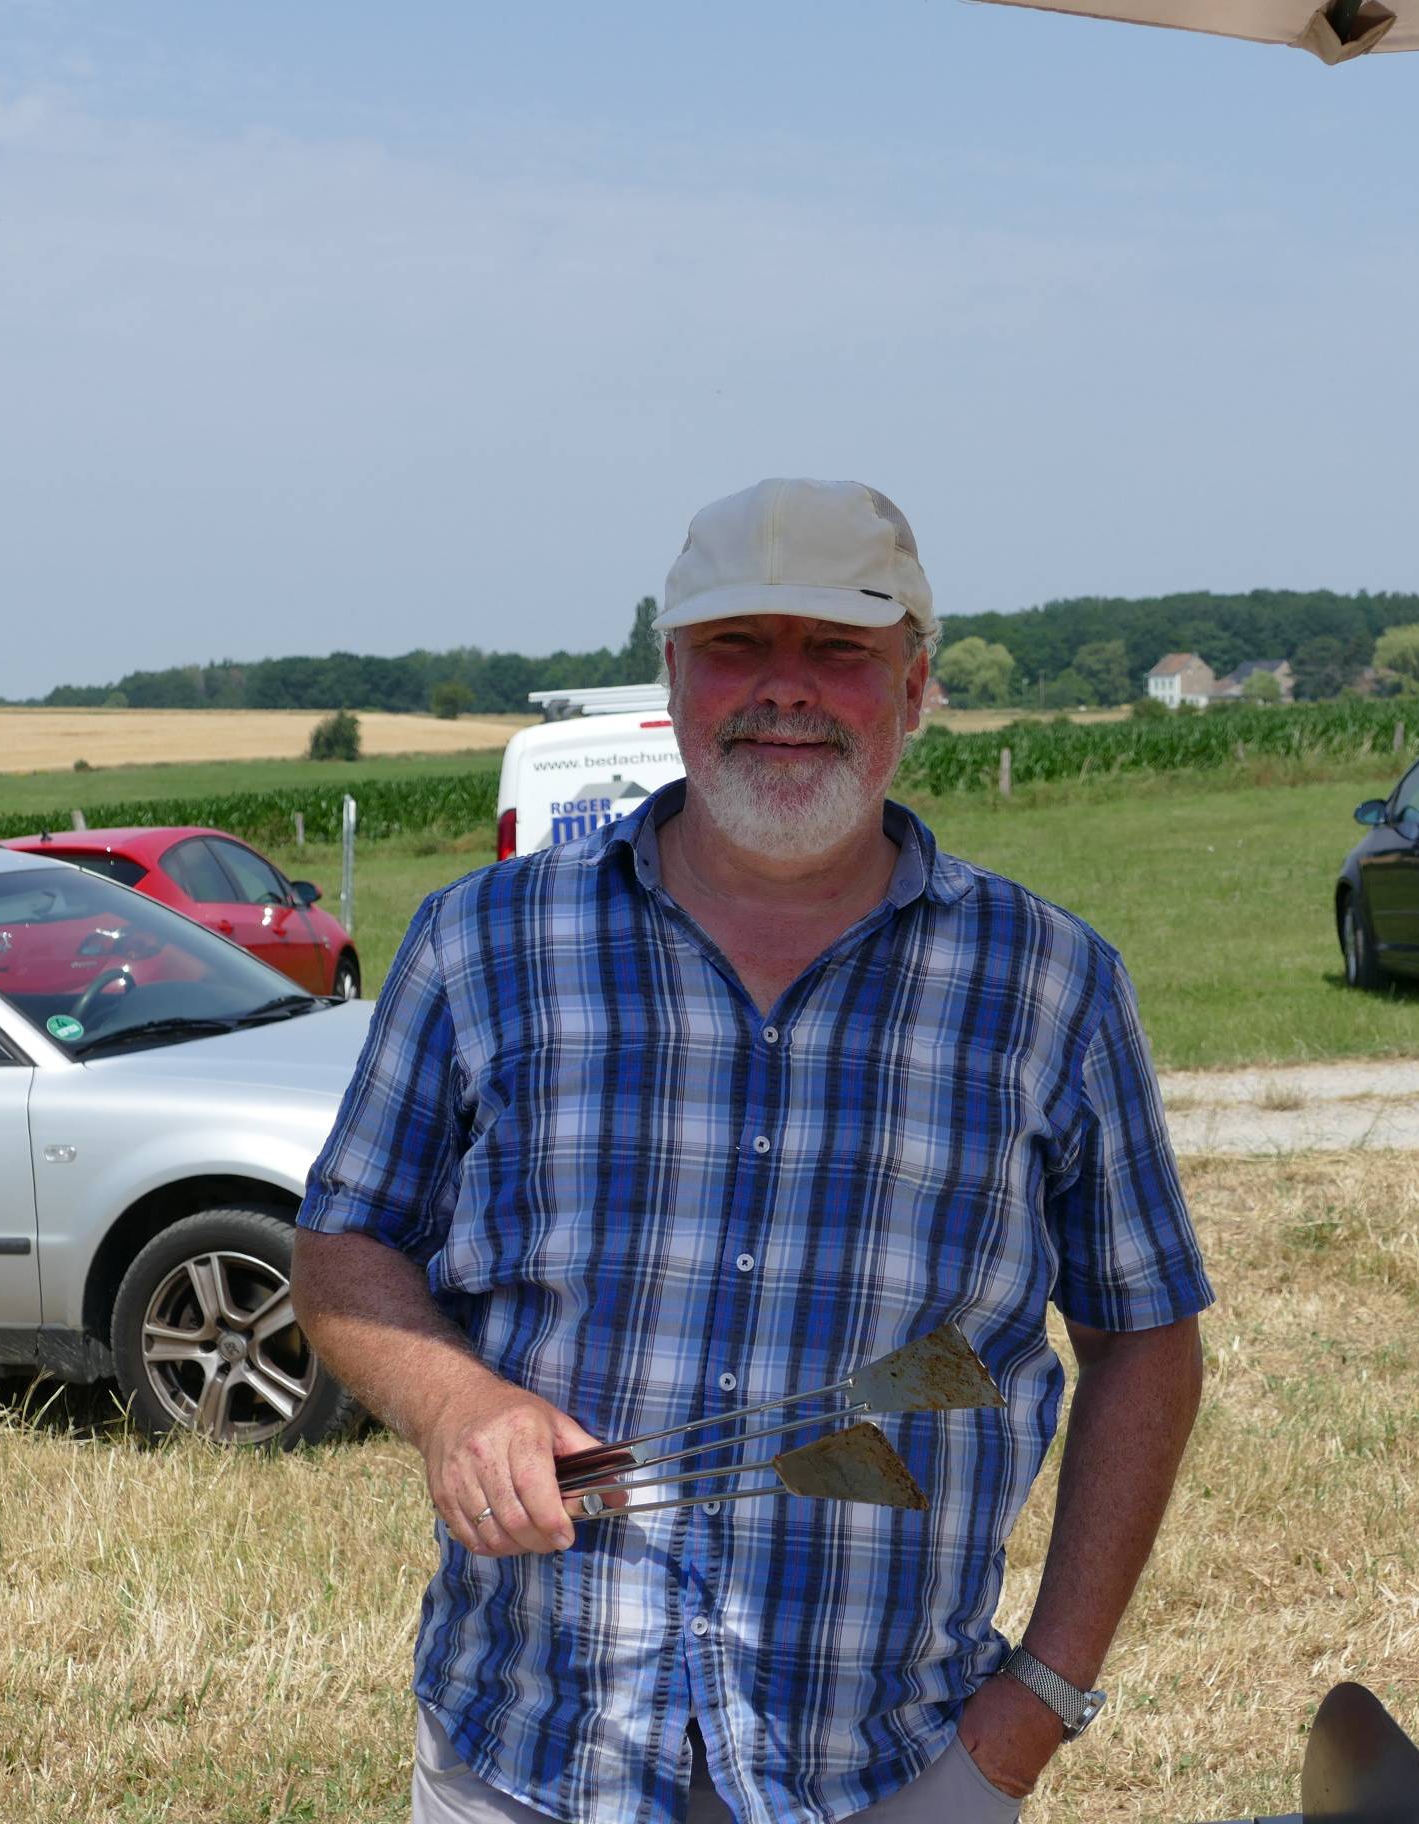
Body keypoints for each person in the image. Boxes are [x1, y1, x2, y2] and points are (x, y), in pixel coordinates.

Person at [293, 477, 1212, 1824]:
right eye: (738, 644)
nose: (786, 688)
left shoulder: (1049, 986)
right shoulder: (484, 944)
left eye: (838, 648)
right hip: (524, 1753)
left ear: (913, 687)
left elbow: (1146, 1340)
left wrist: (1036, 1707)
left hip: (893, 1770)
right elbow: (342, 1244)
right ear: (673, 677)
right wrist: (455, 1405)